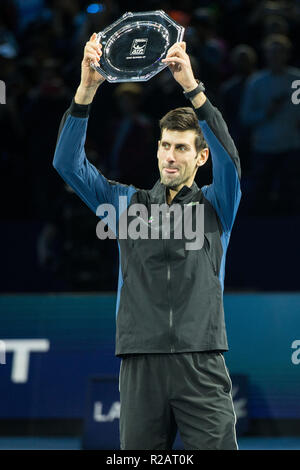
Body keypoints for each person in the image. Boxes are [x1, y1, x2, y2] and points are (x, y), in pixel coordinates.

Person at [53, 33, 241, 450]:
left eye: (181, 148)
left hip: (202, 360)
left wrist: (192, 87)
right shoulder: (124, 203)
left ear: (200, 156)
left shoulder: (218, 204)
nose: (170, 156)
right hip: (140, 362)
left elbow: (231, 156)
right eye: (164, 146)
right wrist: (87, 87)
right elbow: (66, 163)